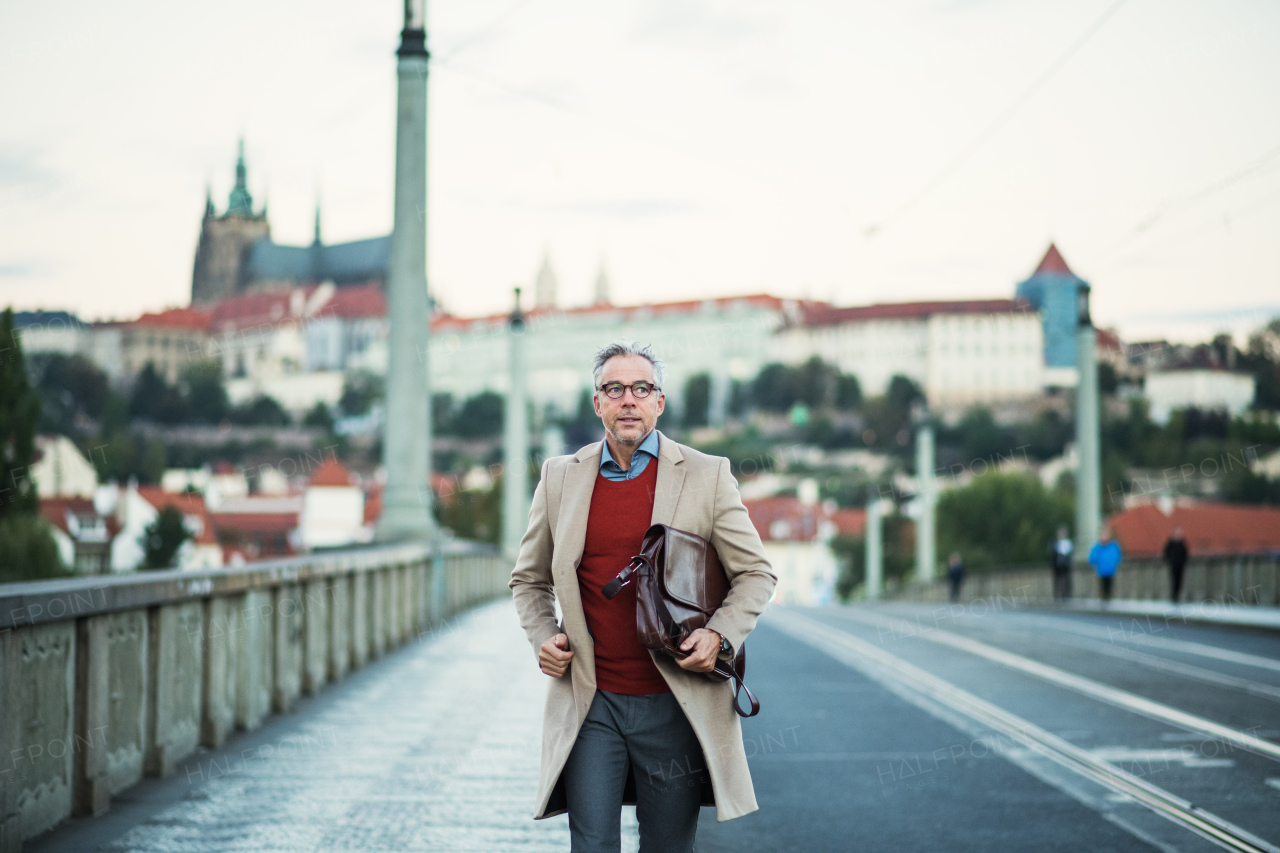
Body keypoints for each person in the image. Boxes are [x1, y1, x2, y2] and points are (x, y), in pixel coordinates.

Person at [509, 341, 778, 853]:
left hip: (675, 701)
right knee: (591, 845)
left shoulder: (707, 474)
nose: (627, 399)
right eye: (614, 389)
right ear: (598, 403)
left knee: (667, 845)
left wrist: (719, 634)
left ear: (659, 402)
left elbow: (755, 574)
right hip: (591, 701)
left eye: (641, 388)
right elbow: (528, 579)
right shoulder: (559, 477)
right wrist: (544, 636)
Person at [1088, 525, 1122, 604]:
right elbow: (1092, 559)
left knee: (1109, 588)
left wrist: (1113, 564)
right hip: (1101, 572)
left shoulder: (1113, 546)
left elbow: (1117, 556)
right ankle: (1103, 602)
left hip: (1110, 571)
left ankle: (1108, 601)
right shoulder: (1097, 547)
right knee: (1102, 589)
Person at [1163, 525, 1190, 603]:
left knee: (1179, 581)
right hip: (1173, 565)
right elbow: (1166, 553)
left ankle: (1177, 596)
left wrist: (1184, 562)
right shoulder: (1171, 543)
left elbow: (1185, 554)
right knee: (1173, 580)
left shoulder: (1182, 543)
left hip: (1180, 565)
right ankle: (1174, 596)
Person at [1047, 525, 1073, 602]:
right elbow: (1051, 555)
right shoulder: (1054, 543)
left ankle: (1065, 596)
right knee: (1057, 582)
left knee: (1065, 581)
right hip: (1057, 566)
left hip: (1065, 566)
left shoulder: (1068, 543)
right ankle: (1057, 597)